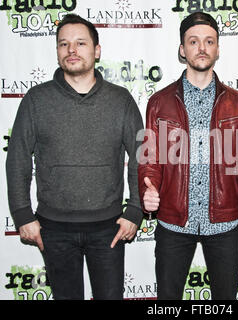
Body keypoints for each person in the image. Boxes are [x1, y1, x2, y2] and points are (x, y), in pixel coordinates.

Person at [6, 14, 144, 300]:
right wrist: (22, 214)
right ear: (57, 51)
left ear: (96, 50)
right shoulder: (36, 100)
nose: (72, 50)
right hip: (52, 230)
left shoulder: (121, 100)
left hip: (109, 229)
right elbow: (17, 157)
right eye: (64, 44)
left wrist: (135, 210)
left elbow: (144, 156)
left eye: (81, 43)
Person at [138, 12, 238, 300]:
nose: (201, 47)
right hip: (173, 220)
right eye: (193, 41)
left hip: (223, 221)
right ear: (182, 50)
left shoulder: (237, 103)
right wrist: (148, 185)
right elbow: (150, 158)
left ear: (218, 48)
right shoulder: (159, 102)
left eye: (209, 41)